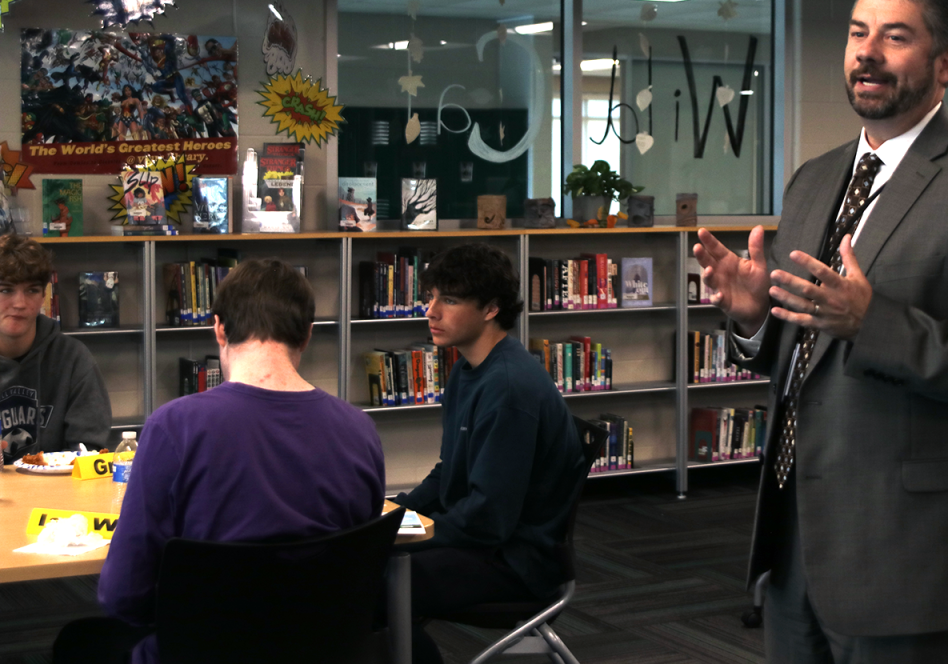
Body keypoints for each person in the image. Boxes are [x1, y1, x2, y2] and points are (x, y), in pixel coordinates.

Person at [693, 0, 948, 663]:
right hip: (796, 535)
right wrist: (752, 320)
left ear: (945, 62)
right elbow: (809, 355)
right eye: (859, 32)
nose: (867, 52)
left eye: (894, 37)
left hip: (912, 552)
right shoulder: (813, 180)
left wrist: (874, 322)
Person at [95, 258, 385, 664]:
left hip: (199, 651)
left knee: (81, 641)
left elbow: (124, 597)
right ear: (307, 335)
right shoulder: (360, 430)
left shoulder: (174, 427)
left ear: (218, 328)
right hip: (323, 648)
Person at [395, 243, 585, 664]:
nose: (432, 311)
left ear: (490, 310)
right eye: (432, 297)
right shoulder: (467, 368)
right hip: (486, 543)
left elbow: (487, 521)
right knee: (369, 563)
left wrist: (408, 533)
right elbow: (450, 472)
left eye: (451, 299)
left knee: (370, 581)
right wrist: (397, 512)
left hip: (514, 563)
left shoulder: (508, 388)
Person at [0, 235, 110, 464]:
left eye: (31, 290)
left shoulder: (73, 359)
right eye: (6, 290)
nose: (19, 303)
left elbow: (88, 454)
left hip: (55, 496)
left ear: (44, 295)